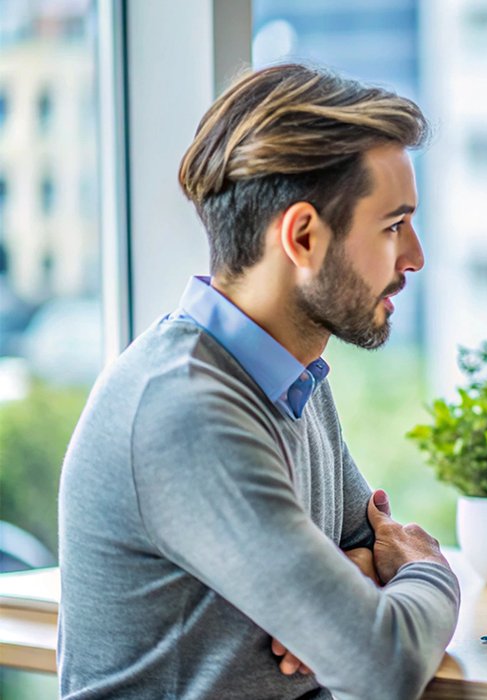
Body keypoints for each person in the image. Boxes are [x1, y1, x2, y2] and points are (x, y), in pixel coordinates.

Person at [58, 64, 458, 699]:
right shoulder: (187, 407)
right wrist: (431, 572)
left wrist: (345, 599)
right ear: (302, 236)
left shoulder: (291, 376)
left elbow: (368, 548)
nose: (414, 256)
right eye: (392, 225)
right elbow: (383, 662)